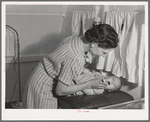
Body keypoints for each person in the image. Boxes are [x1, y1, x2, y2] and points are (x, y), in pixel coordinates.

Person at [22, 24, 119, 109]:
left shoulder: (76, 38)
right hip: (43, 87)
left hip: (37, 77)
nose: (104, 56)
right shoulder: (76, 57)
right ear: (94, 43)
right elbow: (60, 91)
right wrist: (89, 84)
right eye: (104, 52)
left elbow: (64, 62)